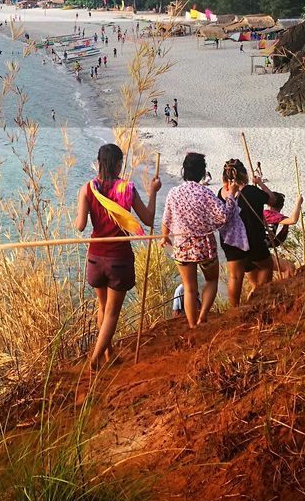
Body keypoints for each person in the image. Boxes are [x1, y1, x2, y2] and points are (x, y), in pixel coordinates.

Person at [75, 143, 160, 371]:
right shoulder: (127, 189)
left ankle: (109, 353)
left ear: (99, 163)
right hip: (118, 259)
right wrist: (153, 192)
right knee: (112, 312)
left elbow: (80, 225)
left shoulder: (87, 189)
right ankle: (95, 359)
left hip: (95, 256)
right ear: (119, 164)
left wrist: (81, 205)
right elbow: (149, 219)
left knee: (103, 308)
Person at [161, 151, 227, 328]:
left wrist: (164, 236)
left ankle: (192, 325)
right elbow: (222, 216)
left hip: (182, 246)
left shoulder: (174, 193)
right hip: (204, 245)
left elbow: (166, 219)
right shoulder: (205, 193)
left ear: (184, 170)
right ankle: (203, 315)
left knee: (189, 288)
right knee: (211, 281)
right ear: (202, 172)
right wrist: (208, 224)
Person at [217, 158, 273, 307]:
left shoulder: (221, 193)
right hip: (253, 240)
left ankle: (235, 309)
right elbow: (273, 200)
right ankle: (259, 299)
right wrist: (260, 184)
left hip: (230, 241)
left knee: (234, 277)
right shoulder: (251, 191)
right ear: (244, 175)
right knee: (267, 266)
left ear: (225, 177)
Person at [263, 190, 304, 277]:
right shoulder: (272, 215)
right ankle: (286, 289)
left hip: (250, 251)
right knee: (289, 267)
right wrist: (298, 204)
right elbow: (293, 220)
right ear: (281, 207)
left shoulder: (262, 213)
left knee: (259, 284)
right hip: (260, 252)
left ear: (267, 204)